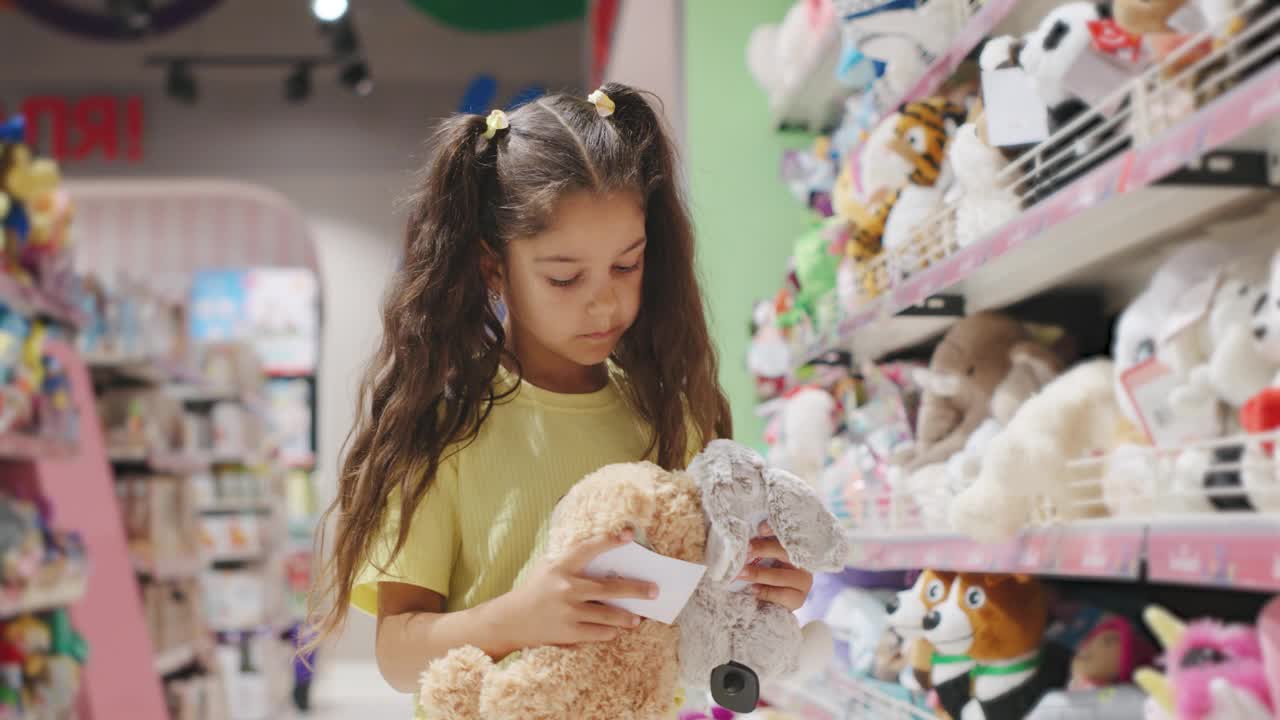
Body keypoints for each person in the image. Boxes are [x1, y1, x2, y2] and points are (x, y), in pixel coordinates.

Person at [310, 83, 816, 703]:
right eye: (564, 277)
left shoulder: (670, 417)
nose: (603, 302)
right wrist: (520, 616)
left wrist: (765, 590)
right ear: (494, 266)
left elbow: (702, 621)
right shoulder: (443, 428)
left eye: (626, 266)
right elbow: (397, 655)